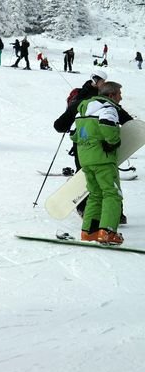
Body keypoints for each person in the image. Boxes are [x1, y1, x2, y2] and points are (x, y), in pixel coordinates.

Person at [53, 70, 132, 221]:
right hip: (104, 149)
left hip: (82, 149)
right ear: (96, 81)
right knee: (109, 182)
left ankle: (87, 213)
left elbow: (59, 126)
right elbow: (129, 122)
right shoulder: (107, 105)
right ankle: (114, 215)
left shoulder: (80, 101)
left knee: (88, 179)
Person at [72, 81, 125, 245]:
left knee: (95, 194)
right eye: (119, 94)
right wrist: (112, 142)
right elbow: (108, 125)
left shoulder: (83, 108)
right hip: (103, 159)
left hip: (85, 159)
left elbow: (73, 133)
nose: (121, 98)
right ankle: (108, 232)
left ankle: (89, 231)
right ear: (111, 95)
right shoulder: (108, 108)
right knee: (112, 194)